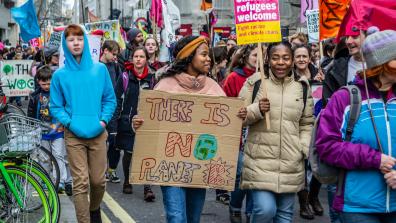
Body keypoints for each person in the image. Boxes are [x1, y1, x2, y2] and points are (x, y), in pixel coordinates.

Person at [132, 36, 245, 223]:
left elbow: (224, 131)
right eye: (203, 54)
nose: (209, 58)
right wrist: (139, 124)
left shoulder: (214, 88)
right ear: (188, 56)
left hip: (199, 169)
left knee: (193, 218)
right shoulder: (165, 86)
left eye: (209, 55)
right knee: (176, 218)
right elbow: (150, 127)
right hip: (170, 171)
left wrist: (238, 117)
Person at [316, 28, 396, 223]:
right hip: (358, 206)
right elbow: (327, 146)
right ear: (383, 63)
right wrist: (374, 159)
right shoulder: (345, 98)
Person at [239, 41, 314, 223]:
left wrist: (303, 147)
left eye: (286, 58)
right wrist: (257, 109)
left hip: (291, 163)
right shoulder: (255, 82)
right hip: (260, 163)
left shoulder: (302, 86)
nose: (281, 62)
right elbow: (238, 118)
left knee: (284, 216)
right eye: (275, 58)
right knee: (265, 210)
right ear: (268, 59)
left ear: (293, 60)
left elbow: (307, 123)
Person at [50, 24, 116, 223]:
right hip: (73, 135)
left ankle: (94, 208)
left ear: (85, 42)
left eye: (79, 38)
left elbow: (110, 99)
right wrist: (69, 122)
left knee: (98, 181)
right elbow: (56, 106)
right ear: (65, 44)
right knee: (80, 183)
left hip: (98, 133)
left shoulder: (100, 69)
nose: (76, 43)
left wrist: (103, 121)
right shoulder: (59, 75)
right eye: (71, 39)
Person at [322, 28, 368, 223]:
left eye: (355, 36)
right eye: (347, 36)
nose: (349, 41)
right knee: (339, 213)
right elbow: (327, 110)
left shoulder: (386, 69)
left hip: (372, 152)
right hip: (341, 150)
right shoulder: (335, 69)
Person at [113, 46, 156, 201]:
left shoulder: (152, 78)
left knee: (146, 154)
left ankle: (147, 187)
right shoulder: (125, 77)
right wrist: (115, 121)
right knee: (129, 153)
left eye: (141, 57)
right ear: (132, 59)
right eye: (136, 56)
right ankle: (127, 180)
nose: (138, 59)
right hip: (127, 121)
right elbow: (117, 99)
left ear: (146, 59)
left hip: (147, 123)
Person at [223, 44, 258, 222]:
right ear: (245, 57)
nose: (259, 58)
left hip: (259, 133)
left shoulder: (267, 78)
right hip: (238, 133)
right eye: (255, 55)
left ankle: (252, 211)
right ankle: (235, 206)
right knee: (241, 174)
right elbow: (225, 107)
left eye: (262, 55)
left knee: (255, 175)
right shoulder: (234, 78)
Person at [27, 65, 73, 196]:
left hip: (58, 130)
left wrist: (61, 124)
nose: (47, 86)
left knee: (59, 155)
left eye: (49, 83)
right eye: (44, 83)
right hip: (41, 132)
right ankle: (45, 179)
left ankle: (62, 181)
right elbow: (30, 113)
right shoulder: (35, 96)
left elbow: (64, 110)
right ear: (38, 82)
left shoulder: (59, 94)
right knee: (44, 158)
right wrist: (32, 128)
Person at [293, 45, 324, 220]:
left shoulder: (320, 74)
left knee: (318, 163)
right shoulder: (290, 78)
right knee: (302, 165)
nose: (302, 59)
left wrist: (324, 82)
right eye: (298, 56)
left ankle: (314, 197)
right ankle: (303, 203)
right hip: (299, 125)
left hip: (319, 125)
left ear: (310, 57)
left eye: (304, 56)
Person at [100, 40, 123, 184]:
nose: (115, 57)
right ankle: (99, 171)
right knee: (100, 142)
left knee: (114, 142)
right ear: (105, 51)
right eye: (113, 54)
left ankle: (111, 170)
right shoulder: (96, 66)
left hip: (113, 109)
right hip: (99, 109)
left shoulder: (116, 66)